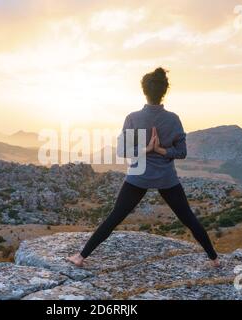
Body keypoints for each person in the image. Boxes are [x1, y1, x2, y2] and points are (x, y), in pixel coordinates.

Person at [67, 67, 220, 268]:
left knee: (114, 217)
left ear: (144, 91)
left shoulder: (133, 118)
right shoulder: (173, 119)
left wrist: (145, 149)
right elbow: (182, 152)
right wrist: (161, 150)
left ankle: (80, 257)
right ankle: (215, 259)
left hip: (138, 177)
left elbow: (122, 151)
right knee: (188, 218)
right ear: (164, 91)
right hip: (167, 178)